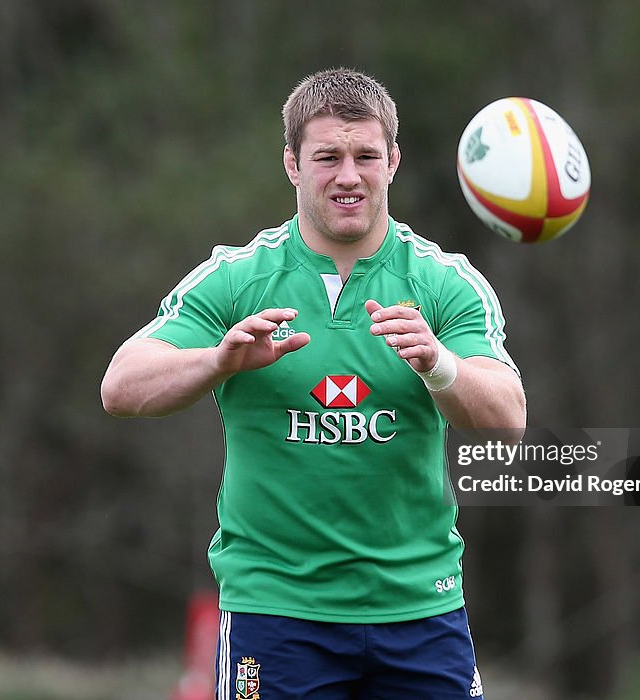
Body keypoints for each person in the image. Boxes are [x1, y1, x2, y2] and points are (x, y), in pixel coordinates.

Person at [101, 67, 525, 700]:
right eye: (327, 157)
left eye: (365, 156)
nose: (348, 176)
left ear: (394, 162)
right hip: (275, 612)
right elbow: (121, 386)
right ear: (292, 165)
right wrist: (217, 362)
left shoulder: (444, 283)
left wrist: (439, 364)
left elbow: (508, 421)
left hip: (419, 609)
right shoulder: (238, 278)